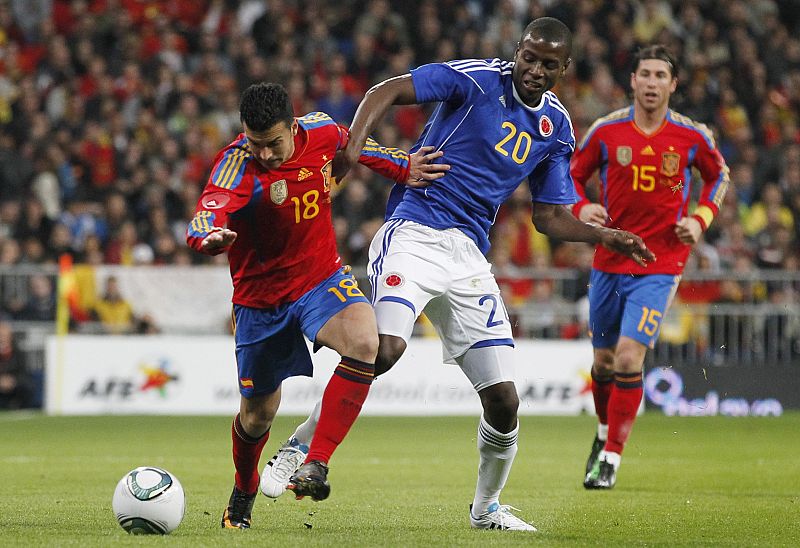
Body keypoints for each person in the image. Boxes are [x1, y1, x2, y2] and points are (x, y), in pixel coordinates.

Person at [261, 17, 654, 531]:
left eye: (547, 64)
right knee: (386, 348)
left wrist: (604, 235)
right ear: (518, 51)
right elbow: (387, 90)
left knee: (504, 399)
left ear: (565, 68)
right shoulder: (475, 79)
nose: (534, 70)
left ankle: (486, 509)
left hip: (468, 256)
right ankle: (304, 447)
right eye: (528, 57)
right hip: (415, 232)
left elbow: (548, 216)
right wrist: (353, 148)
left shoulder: (556, 128)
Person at [185, 82, 448, 529]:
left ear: (292, 126)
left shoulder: (322, 132)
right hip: (260, 302)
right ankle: (244, 488)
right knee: (256, 415)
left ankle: (315, 461)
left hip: (320, 279)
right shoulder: (235, 164)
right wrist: (207, 236)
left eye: (273, 143)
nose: (264, 154)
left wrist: (404, 166)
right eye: (255, 143)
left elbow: (356, 146)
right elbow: (208, 209)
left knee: (367, 342)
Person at [569, 45, 729, 489]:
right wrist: (582, 208)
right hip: (609, 257)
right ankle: (602, 436)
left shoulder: (691, 137)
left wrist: (700, 219)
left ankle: (612, 460)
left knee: (627, 356)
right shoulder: (606, 132)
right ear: (634, 81)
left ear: (673, 84)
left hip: (660, 261)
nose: (653, 82)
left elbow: (719, 175)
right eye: (646, 74)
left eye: (661, 75)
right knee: (602, 363)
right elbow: (571, 174)